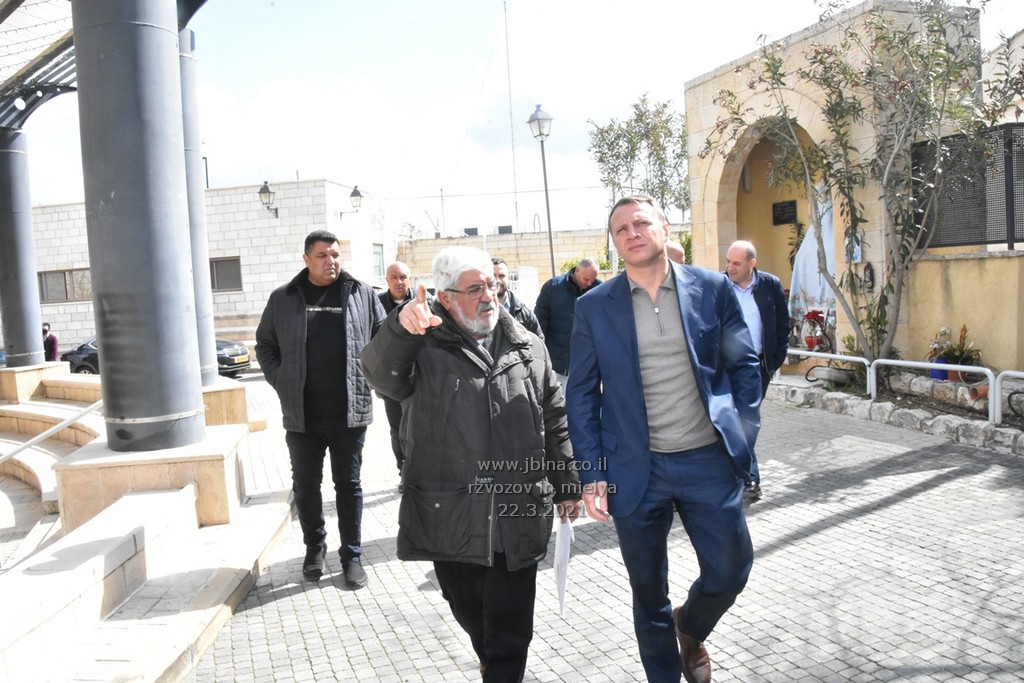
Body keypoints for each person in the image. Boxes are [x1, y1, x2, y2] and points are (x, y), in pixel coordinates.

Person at [361, 246, 582, 682]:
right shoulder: (420, 345)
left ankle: (500, 668)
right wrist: (401, 328)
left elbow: (555, 419)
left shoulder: (528, 346)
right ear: (445, 298)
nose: (489, 297)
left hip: (518, 510)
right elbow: (380, 375)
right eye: (476, 288)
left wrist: (568, 484)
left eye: (493, 286)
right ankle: (490, 658)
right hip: (451, 512)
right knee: (468, 610)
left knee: (511, 632)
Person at [566, 196, 761, 683]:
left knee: (731, 570)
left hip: (707, 460)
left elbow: (744, 364)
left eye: (641, 223)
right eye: (620, 229)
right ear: (614, 243)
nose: (631, 233)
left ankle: (690, 626)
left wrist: (741, 433)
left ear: (665, 228)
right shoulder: (594, 307)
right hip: (636, 468)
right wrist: (592, 474)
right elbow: (581, 395)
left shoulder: (712, 288)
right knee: (648, 591)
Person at [255, 229, 385, 587]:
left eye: (335, 255)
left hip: (349, 413)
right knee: (306, 486)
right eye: (323, 255)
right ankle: (315, 547)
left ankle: (352, 556)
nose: (331, 261)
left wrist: (373, 379)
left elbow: (384, 342)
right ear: (307, 259)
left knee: (349, 484)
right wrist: (282, 380)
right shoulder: (283, 298)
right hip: (303, 415)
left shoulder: (361, 294)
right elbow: (265, 345)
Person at [725, 240, 790, 501]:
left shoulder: (770, 285)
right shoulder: (719, 285)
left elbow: (783, 324)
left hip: (758, 366)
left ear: (752, 264)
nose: (730, 268)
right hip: (726, 366)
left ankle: (747, 479)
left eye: (736, 263)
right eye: (728, 262)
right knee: (728, 421)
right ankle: (745, 478)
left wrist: (775, 360)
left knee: (747, 420)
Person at [534, 257, 601, 383]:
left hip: (587, 367)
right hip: (557, 365)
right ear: (577, 270)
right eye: (586, 279)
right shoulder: (552, 287)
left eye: (592, 280)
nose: (589, 284)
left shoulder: (599, 290)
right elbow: (539, 324)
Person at [377, 261, 415, 478]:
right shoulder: (377, 304)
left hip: (419, 378)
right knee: (397, 428)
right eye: (394, 277)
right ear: (387, 280)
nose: (399, 282)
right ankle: (404, 472)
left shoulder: (423, 301)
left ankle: (421, 473)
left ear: (410, 279)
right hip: (391, 381)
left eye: (403, 277)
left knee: (420, 427)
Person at [491, 257, 543, 339]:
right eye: (493, 276)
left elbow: (539, 341)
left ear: (509, 279)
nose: (497, 280)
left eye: (501, 276)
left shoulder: (524, 313)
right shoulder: (477, 311)